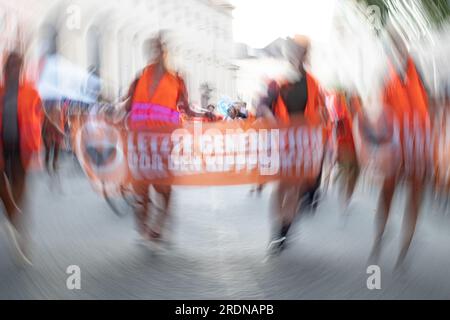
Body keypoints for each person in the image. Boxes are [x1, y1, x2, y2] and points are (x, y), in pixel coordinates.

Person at [125, 32, 203, 244]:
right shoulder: (140, 78)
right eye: (153, 48)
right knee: (141, 186)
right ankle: (144, 220)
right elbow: (126, 106)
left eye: (160, 48)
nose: (157, 52)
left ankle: (160, 222)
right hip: (141, 141)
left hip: (164, 141)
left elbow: (186, 107)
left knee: (162, 185)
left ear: (166, 52)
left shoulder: (177, 79)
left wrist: (206, 116)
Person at [363, 26, 430, 268]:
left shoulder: (418, 68)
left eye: (401, 42)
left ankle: (404, 247)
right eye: (393, 43)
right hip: (394, 139)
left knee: (415, 190)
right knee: (387, 191)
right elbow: (375, 107)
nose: (398, 46)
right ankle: (379, 236)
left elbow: (429, 100)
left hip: (417, 137)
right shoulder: (383, 72)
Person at [261, 35, 327, 254]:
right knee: (281, 186)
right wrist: (272, 119)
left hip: (304, 143)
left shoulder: (314, 83)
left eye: (302, 51)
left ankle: (283, 230)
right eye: (295, 50)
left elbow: (321, 112)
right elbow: (263, 106)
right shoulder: (279, 82)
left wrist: (321, 120)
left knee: (296, 187)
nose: (298, 54)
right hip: (283, 142)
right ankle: (278, 227)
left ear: (306, 55)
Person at [0, 51, 45, 265]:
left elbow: (40, 114)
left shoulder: (30, 91)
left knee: (20, 190)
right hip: (2, 147)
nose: (13, 69)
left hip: (22, 148)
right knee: (3, 189)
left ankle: (17, 228)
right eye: (10, 65)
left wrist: (53, 129)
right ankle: (13, 221)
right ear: (4, 68)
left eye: (17, 65)